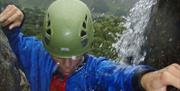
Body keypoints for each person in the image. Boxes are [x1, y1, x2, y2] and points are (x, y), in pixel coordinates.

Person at [0, 0, 180, 91]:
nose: (68, 64)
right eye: (59, 56)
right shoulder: (36, 54)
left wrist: (148, 79)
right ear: (48, 47)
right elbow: (14, 40)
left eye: (75, 56)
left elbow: (120, 76)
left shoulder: (94, 71)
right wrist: (15, 19)